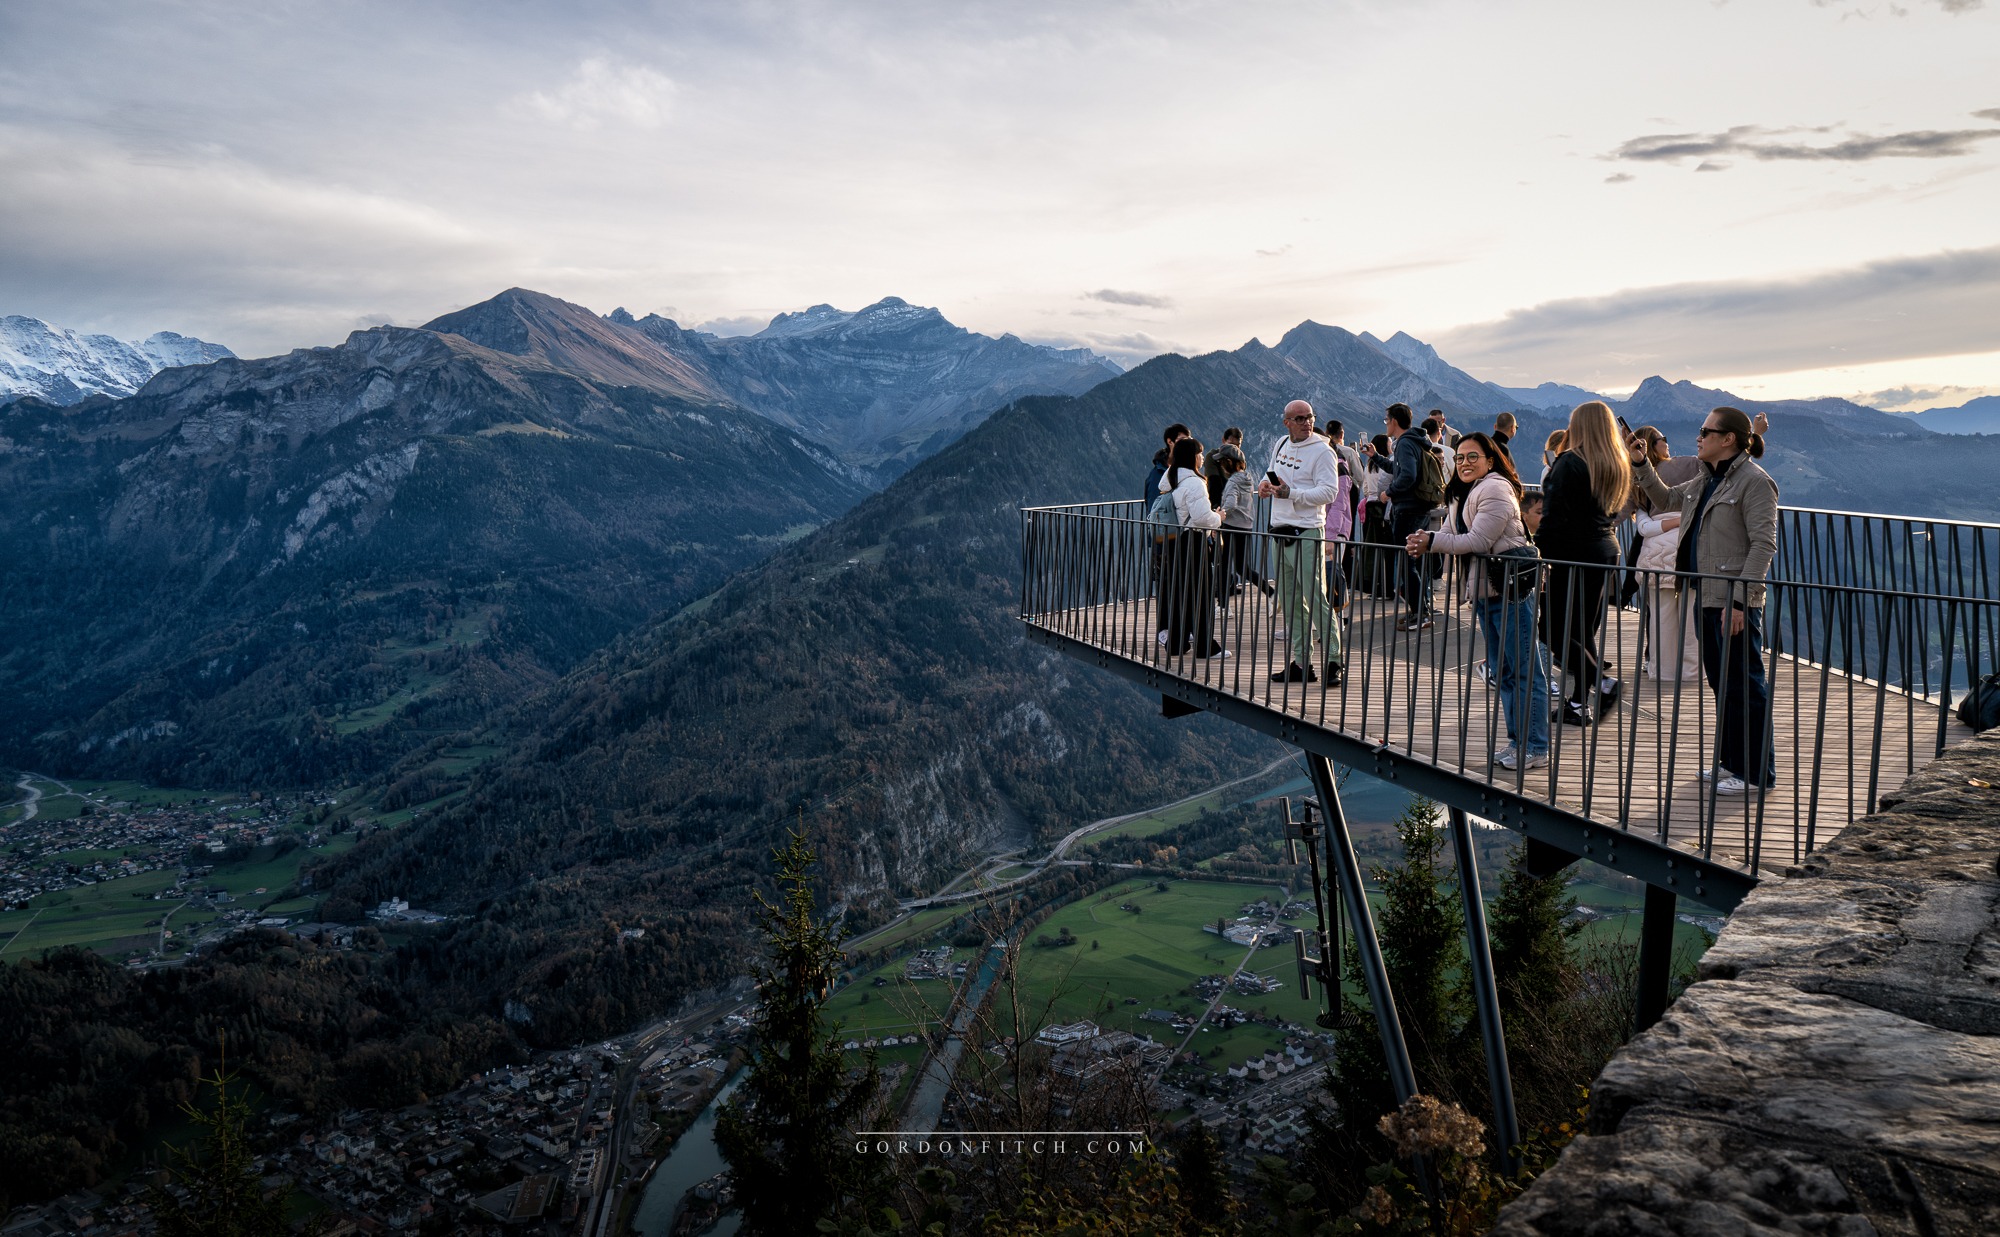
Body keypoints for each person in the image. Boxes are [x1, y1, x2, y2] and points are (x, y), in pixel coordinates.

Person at [1628, 406, 1779, 794]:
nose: (1698, 437)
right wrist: (1642, 463)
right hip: (1705, 594)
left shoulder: (1755, 482)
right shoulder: (1705, 480)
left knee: (1746, 685)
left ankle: (1755, 773)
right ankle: (1732, 763)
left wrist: (1742, 602)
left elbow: (1763, 545)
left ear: (1727, 439)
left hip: (1731, 599)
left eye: (1705, 431)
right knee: (1722, 683)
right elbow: (1663, 499)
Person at [1407, 432, 1549, 769]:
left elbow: (1478, 540)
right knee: (1508, 672)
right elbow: (1458, 536)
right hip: (1489, 590)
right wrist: (1428, 539)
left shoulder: (1496, 489)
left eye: (1473, 456)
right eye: (1459, 458)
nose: (1465, 463)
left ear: (1490, 460)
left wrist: (1431, 541)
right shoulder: (1466, 493)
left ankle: (1536, 747)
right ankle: (1518, 743)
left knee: (1526, 671)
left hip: (1510, 590)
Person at [1538, 401, 1631, 726]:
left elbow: (1553, 518)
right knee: (1583, 627)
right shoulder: (1614, 464)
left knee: (1549, 626)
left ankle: (1602, 684)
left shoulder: (1569, 463)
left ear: (1580, 426)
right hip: (1604, 551)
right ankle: (1579, 703)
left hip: (1571, 553)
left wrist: (1539, 558)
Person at [1259, 400, 1344, 685]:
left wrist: (1290, 493)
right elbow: (1272, 471)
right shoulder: (1281, 443)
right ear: (1287, 422)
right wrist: (1265, 484)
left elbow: (1329, 492)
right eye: (1300, 418)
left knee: (1316, 595)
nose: (1307, 422)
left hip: (1307, 530)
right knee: (1290, 598)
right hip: (1279, 529)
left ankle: (1334, 660)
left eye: (1310, 417)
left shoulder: (1323, 450)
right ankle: (1301, 663)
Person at [1158, 437, 1227, 659]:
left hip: (1174, 542)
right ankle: (1206, 646)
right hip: (1194, 542)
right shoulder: (1195, 483)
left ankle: (1176, 643)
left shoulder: (1169, 479)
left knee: (1181, 593)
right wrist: (1218, 517)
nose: (1201, 458)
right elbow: (1202, 518)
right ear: (1192, 457)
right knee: (1202, 594)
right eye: (1199, 454)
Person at [1384, 403, 1445, 631]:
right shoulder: (1416, 441)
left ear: (1394, 421)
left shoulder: (1405, 443)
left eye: (1386, 420)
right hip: (1418, 509)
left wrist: (1387, 493)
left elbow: (1407, 476)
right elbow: (1399, 470)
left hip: (1407, 511)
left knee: (1407, 565)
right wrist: (1376, 457)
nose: (1386, 425)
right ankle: (1418, 610)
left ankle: (1421, 613)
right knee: (1411, 563)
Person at [1216, 451, 1269, 596]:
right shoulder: (1248, 479)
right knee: (1241, 567)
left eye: (1221, 462)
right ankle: (1269, 592)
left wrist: (1219, 515)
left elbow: (1232, 504)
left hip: (1231, 526)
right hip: (1246, 527)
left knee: (1224, 564)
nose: (1220, 465)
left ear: (1228, 462)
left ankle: (1223, 604)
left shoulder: (1233, 482)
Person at [1143, 423, 1190, 503]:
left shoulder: (1187, 468)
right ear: (1170, 441)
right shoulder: (1158, 474)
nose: (1186, 444)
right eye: (1182, 440)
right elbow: (1155, 508)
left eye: (1188, 440)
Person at [1208, 427, 1246, 508]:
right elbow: (1214, 484)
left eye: (1237, 445)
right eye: (1231, 444)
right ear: (1223, 440)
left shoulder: (1240, 459)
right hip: (1220, 505)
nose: (1234, 448)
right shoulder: (1212, 456)